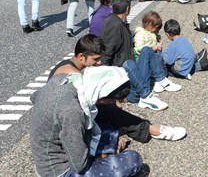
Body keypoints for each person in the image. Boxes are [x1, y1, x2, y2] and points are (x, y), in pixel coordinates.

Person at [37, 34, 186, 144]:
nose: (99, 62)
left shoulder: (67, 64)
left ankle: (148, 129)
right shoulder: (73, 75)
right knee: (111, 112)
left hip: (63, 115)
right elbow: (77, 109)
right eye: (95, 59)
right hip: (62, 125)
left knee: (111, 109)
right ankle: (152, 129)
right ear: (81, 56)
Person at [30, 66, 144, 177]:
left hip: (46, 153)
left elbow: (34, 97)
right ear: (104, 96)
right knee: (133, 159)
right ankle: (104, 154)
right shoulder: (72, 111)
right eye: (111, 101)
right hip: (58, 170)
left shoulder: (64, 79)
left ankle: (104, 153)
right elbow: (78, 165)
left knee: (107, 128)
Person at [101, 0, 181, 110]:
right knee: (129, 63)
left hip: (131, 72)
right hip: (128, 81)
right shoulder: (115, 25)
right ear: (127, 9)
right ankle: (145, 96)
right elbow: (107, 54)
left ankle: (161, 81)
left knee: (146, 49)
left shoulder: (114, 21)